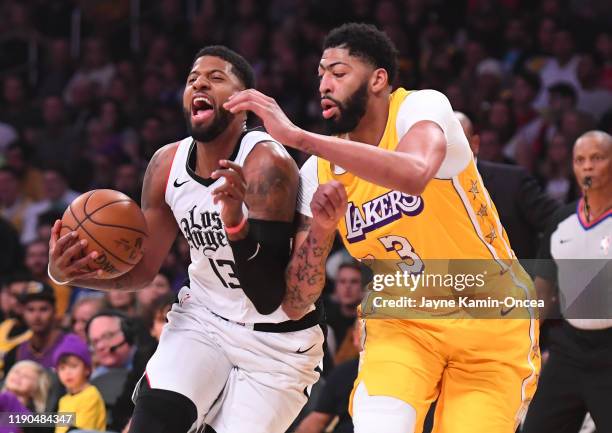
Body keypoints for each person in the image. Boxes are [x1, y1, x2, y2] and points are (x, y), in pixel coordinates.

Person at [225, 23, 540, 433]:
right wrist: (321, 228)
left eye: (338, 72)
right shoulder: (319, 172)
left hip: (489, 314)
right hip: (402, 320)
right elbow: (298, 299)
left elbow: (414, 173)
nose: (324, 83)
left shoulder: (421, 108)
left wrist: (300, 136)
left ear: (378, 79)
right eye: (320, 73)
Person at [48, 46, 327, 433]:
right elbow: (143, 270)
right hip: (204, 319)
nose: (199, 83)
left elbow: (267, 297)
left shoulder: (267, 165)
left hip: (275, 341)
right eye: (193, 78)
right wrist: (66, 274)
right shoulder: (166, 164)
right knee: (153, 423)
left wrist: (235, 227)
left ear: (242, 103)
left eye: (215, 78)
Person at [522, 131, 612, 433]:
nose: (588, 166)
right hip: (569, 351)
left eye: (597, 158)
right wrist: (521, 338)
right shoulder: (560, 220)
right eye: (580, 160)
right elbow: (543, 293)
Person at [456, 112, 560, 271]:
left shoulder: (513, 181)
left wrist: (544, 274)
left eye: (455, 140)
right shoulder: (422, 191)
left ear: (475, 144)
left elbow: (560, 221)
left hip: (514, 286)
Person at [53, 334, 106, 433]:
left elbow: (81, 431)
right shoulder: (64, 400)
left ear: (86, 369)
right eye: (62, 368)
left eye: (73, 366)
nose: (67, 373)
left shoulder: (90, 395)